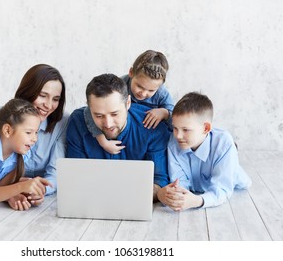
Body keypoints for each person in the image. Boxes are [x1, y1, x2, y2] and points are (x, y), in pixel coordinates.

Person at [66, 73, 172, 202]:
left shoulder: (153, 127)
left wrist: (138, 193)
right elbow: (75, 178)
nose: (108, 124)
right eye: (99, 116)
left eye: (114, 114)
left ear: (128, 103)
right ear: (89, 107)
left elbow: (159, 181)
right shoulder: (77, 122)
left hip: (135, 203)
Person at [0, 64, 68, 203]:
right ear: (28, 91)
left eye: (55, 99)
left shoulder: (63, 122)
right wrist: (10, 194)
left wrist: (39, 191)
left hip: (25, 185)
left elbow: (55, 174)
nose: (48, 105)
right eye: (43, 96)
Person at [158, 92, 252, 210]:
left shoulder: (224, 143)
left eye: (186, 130)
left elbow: (222, 189)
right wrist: (174, 195)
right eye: (175, 128)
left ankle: (231, 155)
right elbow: (179, 182)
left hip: (230, 180)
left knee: (229, 165)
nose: (178, 135)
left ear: (206, 128)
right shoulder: (173, 142)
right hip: (198, 186)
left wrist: (198, 200)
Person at [84, 50, 174, 154]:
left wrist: (165, 113)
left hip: (150, 137)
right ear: (131, 72)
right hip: (123, 133)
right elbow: (89, 111)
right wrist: (103, 141)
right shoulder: (119, 86)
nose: (143, 94)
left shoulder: (162, 94)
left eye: (151, 90)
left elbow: (175, 123)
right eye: (139, 86)